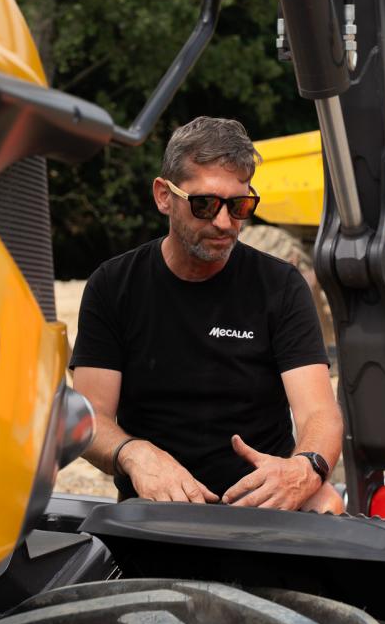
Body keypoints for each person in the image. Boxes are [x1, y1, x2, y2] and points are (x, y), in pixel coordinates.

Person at [71, 116, 343, 514]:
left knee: (329, 503)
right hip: (156, 505)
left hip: (260, 503)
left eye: (239, 206)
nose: (223, 222)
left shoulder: (279, 286)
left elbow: (319, 412)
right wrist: (135, 454)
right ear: (164, 196)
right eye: (204, 205)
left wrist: (305, 467)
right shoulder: (114, 285)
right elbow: (89, 416)